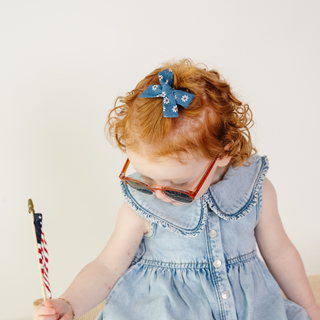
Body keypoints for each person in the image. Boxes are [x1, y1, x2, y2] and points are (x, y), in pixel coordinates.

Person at [34, 59, 320, 320]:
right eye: (146, 176)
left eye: (179, 183)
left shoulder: (256, 192)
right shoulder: (139, 208)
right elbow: (107, 267)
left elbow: (280, 253)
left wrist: (311, 311)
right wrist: (69, 304)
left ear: (223, 152)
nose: (158, 192)